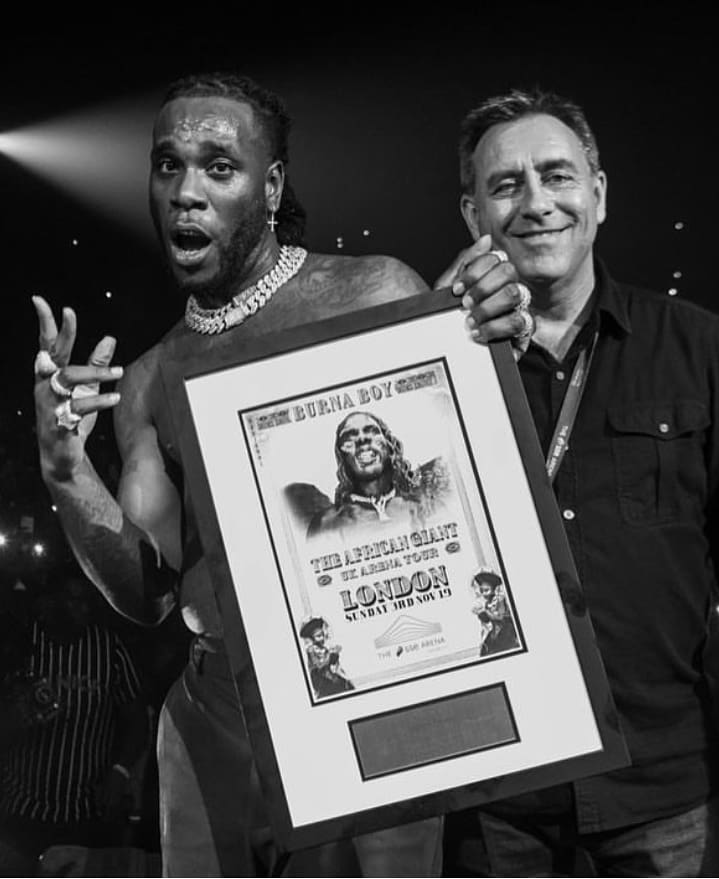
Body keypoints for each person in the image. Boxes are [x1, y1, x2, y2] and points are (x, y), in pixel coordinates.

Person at [31, 72, 442, 877]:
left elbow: (445, 495)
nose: (186, 191)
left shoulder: (371, 294)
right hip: (214, 715)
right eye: (168, 165)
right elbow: (148, 594)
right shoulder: (147, 379)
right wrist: (65, 470)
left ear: (272, 186)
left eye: (219, 167)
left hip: (373, 696)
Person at [435, 87, 719, 877]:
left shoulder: (694, 345)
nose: (536, 202)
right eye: (505, 185)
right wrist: (427, 341)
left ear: (598, 195)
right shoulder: (433, 371)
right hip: (496, 795)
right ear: (473, 215)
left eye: (557, 176)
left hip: (666, 784)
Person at [0, 568, 147, 876]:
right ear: (51, 601)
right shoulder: (22, 644)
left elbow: (136, 718)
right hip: (20, 810)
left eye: (88, 600)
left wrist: (120, 771)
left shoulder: (109, 650)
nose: (84, 608)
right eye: (73, 599)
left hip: (83, 813)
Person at [291, 410, 451, 539]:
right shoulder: (325, 524)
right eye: (349, 437)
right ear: (342, 457)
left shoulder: (426, 508)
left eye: (372, 431)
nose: (362, 439)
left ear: (389, 447)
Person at [299, 616, 354, 699]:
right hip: (323, 683)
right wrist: (331, 656)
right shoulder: (311, 651)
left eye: (322, 635)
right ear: (312, 638)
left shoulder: (325, 648)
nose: (322, 638)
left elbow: (333, 665)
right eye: (318, 636)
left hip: (332, 679)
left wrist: (335, 655)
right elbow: (319, 665)